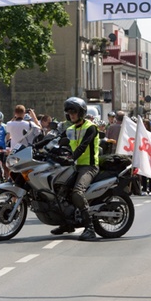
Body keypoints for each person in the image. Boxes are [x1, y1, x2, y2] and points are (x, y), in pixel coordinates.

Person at [50, 97, 100, 241]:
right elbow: (58, 139)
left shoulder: (90, 127)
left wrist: (72, 157)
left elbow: (83, 146)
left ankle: (90, 228)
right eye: (69, 112)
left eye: (74, 112)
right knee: (59, 193)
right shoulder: (71, 129)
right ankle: (67, 224)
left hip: (89, 167)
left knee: (77, 193)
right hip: (74, 166)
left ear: (81, 112)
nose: (71, 115)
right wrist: (39, 145)